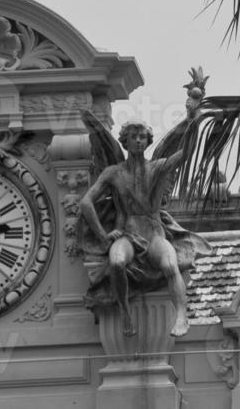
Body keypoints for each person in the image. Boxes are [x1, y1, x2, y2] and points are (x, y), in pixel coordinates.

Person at [79, 121, 203, 337]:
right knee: (117, 262)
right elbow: (86, 203)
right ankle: (125, 311)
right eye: (133, 136)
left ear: (147, 142)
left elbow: (187, 152)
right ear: (124, 141)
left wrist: (194, 116)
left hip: (154, 233)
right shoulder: (113, 172)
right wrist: (103, 235)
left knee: (170, 264)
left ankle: (182, 316)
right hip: (127, 234)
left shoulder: (157, 167)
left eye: (142, 137)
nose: (138, 140)